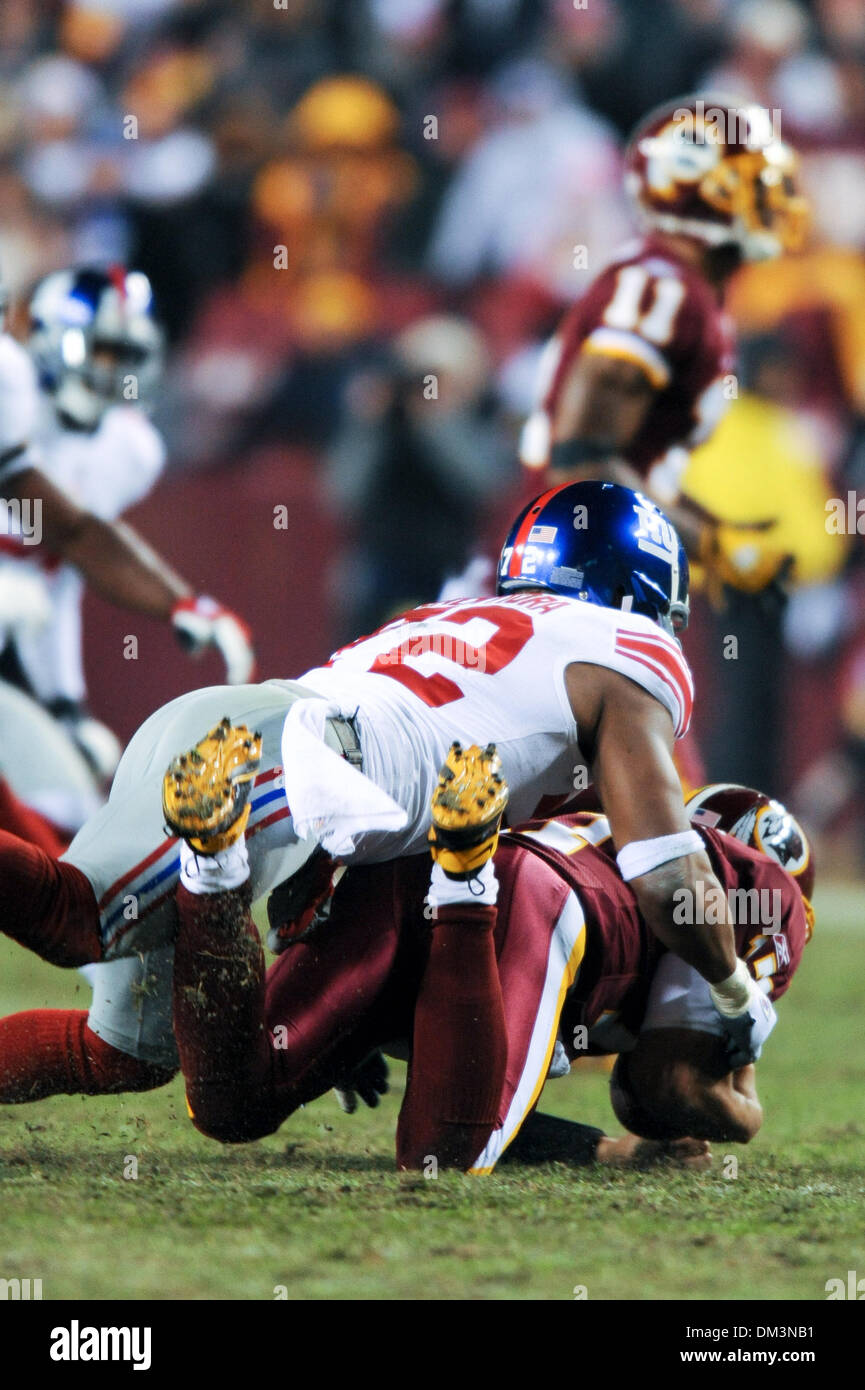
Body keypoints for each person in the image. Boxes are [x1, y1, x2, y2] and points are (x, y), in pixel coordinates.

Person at [0, 481, 771, 1065]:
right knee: (74, 921)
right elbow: (666, 878)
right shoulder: (628, 653)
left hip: (255, 736)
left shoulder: (450, 619)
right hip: (281, 758)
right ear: (636, 588)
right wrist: (735, 990)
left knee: (128, 1053)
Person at [0, 264, 255, 749]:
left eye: (125, 355)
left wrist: (64, 706)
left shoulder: (127, 449)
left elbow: (70, 540)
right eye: (99, 349)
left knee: (60, 806)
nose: (111, 370)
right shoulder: (9, 377)